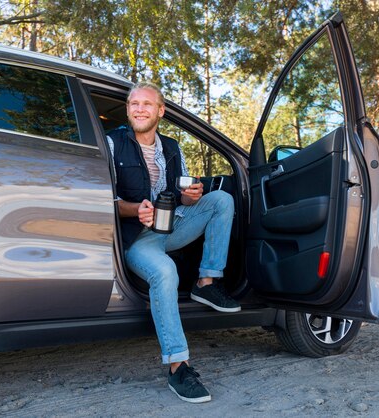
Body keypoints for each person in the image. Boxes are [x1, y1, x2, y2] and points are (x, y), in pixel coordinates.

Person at [106, 81, 240, 403]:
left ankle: (207, 281)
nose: (139, 109)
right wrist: (133, 209)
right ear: (128, 110)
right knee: (166, 272)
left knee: (221, 199)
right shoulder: (113, 144)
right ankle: (178, 366)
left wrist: (191, 196)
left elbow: (181, 199)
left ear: (160, 111)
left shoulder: (172, 147)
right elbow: (105, 199)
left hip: (171, 226)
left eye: (146, 104)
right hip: (137, 239)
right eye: (134, 104)